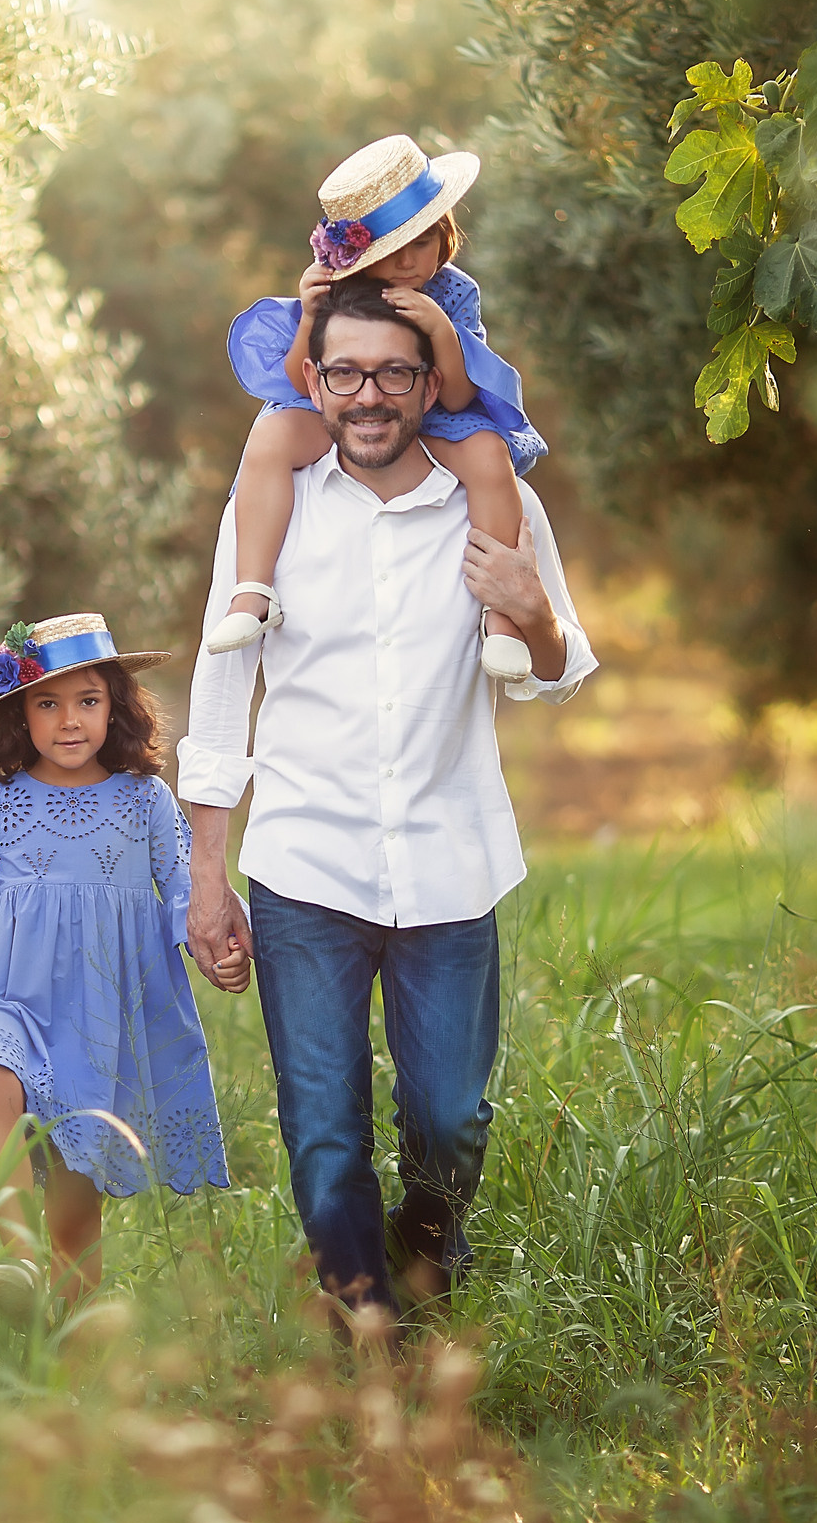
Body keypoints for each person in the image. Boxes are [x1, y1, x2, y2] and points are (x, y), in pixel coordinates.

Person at [177, 277, 596, 1330]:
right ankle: (370, 1336)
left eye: (394, 374)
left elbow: (558, 666)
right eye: (347, 373)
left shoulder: (490, 495)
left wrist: (530, 613)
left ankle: (425, 1245)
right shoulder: (269, 506)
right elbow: (222, 689)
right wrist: (204, 874)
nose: (369, 397)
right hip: (302, 869)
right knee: (322, 1136)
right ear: (312, 379)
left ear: (430, 382)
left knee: (450, 1120)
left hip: (449, 865)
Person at [0, 613, 234, 1313]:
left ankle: (63, 1338)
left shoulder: (144, 800)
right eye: (48, 703)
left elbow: (186, 890)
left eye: (87, 700)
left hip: (96, 1018)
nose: (70, 721)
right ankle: (18, 1258)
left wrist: (215, 947)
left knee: (74, 1193)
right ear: (17, 714)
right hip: (4, 996)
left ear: (115, 704)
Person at [207, 134, 548, 686]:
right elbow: (300, 379)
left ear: (446, 235)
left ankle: (502, 618)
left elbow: (459, 396)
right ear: (362, 254)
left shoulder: (455, 294)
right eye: (391, 250)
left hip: (434, 412)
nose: (409, 262)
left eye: (422, 242)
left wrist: (439, 327)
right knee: (269, 438)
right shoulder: (339, 292)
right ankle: (251, 590)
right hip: (347, 407)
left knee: (489, 456)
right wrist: (308, 315)